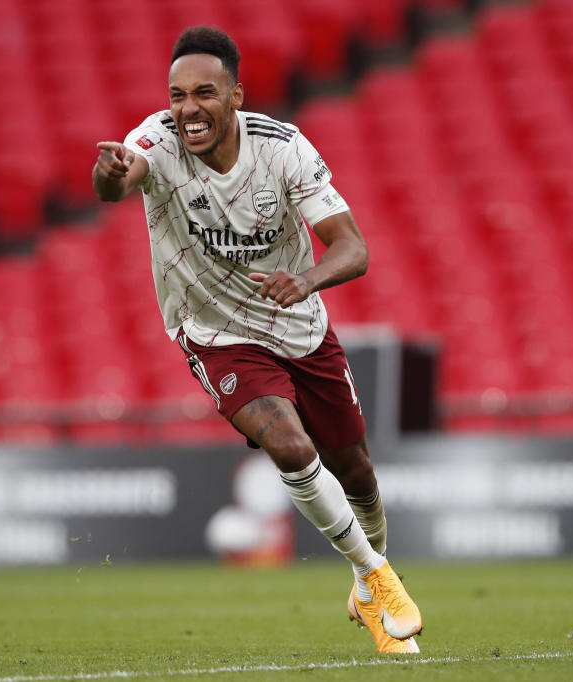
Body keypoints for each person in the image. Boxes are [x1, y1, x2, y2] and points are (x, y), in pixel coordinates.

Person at [92, 25, 422, 655]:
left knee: (357, 471)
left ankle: (364, 577)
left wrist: (307, 280)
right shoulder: (155, 141)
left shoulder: (284, 149)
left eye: (204, 93)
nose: (188, 108)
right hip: (215, 330)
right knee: (290, 445)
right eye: (177, 94)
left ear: (237, 95)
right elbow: (119, 177)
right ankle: (380, 578)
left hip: (300, 325)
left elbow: (353, 248)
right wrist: (110, 173)